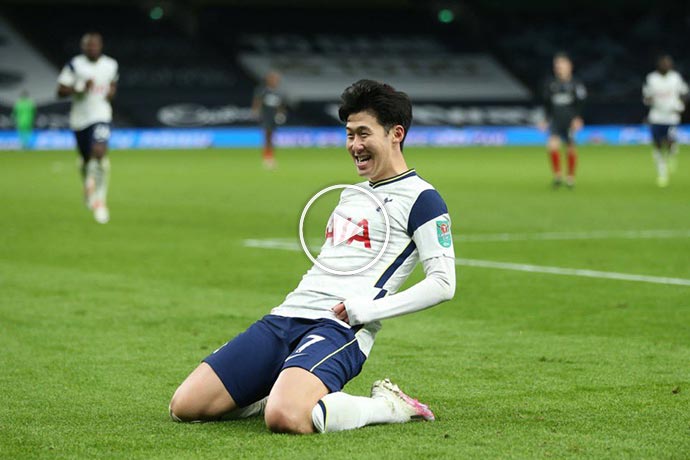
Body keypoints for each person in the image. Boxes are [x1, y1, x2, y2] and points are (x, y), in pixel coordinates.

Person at [170, 80, 456, 434]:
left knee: (286, 417)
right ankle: (282, 387)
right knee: (186, 406)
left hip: (340, 327)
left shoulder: (422, 199)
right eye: (349, 134)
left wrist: (368, 311)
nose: (354, 145)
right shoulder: (350, 195)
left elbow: (443, 284)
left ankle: (388, 405)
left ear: (396, 133)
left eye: (363, 133)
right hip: (287, 317)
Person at [57, 32, 118, 224]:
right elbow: (60, 91)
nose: (92, 49)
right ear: (83, 48)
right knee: (85, 161)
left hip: (101, 115)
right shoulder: (75, 65)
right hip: (79, 119)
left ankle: (100, 201)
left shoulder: (111, 64)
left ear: (100, 46)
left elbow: (112, 85)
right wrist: (80, 87)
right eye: (88, 46)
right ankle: (87, 185)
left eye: (95, 46)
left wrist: (110, 94)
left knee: (99, 152)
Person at [539, 52, 587, 188]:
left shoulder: (576, 83)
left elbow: (582, 102)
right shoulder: (550, 83)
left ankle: (570, 177)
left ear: (569, 66)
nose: (559, 67)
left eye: (562, 64)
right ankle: (557, 175)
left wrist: (577, 118)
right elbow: (547, 103)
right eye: (557, 65)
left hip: (569, 120)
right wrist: (545, 119)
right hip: (555, 119)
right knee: (551, 146)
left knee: (570, 148)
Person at [643, 54, 688, 187]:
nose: (666, 66)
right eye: (663, 64)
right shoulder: (651, 78)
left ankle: (671, 153)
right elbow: (646, 97)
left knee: (669, 141)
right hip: (656, 116)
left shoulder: (675, 78)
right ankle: (662, 171)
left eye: (668, 64)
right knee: (657, 145)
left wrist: (681, 105)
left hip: (671, 117)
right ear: (659, 65)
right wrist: (649, 100)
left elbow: (685, 92)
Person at [252, 71, 286, 169]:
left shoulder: (278, 92)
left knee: (271, 137)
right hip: (265, 116)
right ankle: (267, 158)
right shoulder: (262, 90)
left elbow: (280, 104)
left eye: (276, 80)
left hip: (273, 117)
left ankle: (270, 157)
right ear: (268, 80)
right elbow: (257, 101)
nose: (275, 81)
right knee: (267, 137)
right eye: (273, 79)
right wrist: (255, 112)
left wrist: (281, 114)